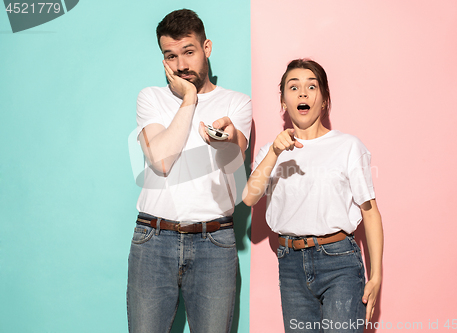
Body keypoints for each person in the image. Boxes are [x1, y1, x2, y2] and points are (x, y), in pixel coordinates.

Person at [127, 9, 252, 333]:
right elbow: (162, 161)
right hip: (153, 240)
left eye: (189, 52)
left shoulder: (237, 103)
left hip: (215, 241)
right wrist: (189, 99)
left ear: (206, 47)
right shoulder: (151, 98)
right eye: (170, 56)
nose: (181, 64)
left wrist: (225, 139)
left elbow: (235, 158)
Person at [243, 59, 383, 332]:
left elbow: (370, 211)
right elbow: (249, 198)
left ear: (324, 100)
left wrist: (376, 275)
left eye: (311, 86)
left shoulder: (347, 146)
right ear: (283, 102)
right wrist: (274, 152)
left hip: (339, 261)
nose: (303, 93)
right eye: (293, 87)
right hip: (291, 264)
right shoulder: (273, 153)